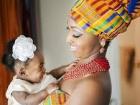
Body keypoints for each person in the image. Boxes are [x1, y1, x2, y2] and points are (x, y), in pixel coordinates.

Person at [44, 0, 140, 105]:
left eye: (76, 34)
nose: (67, 39)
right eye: (68, 29)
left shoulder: (92, 87)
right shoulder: (80, 65)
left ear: (101, 40)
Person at [2, 35, 59, 105]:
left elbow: (51, 74)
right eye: (40, 67)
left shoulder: (34, 78)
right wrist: (46, 91)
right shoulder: (17, 87)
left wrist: (65, 69)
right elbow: (26, 101)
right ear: (23, 72)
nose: (44, 69)